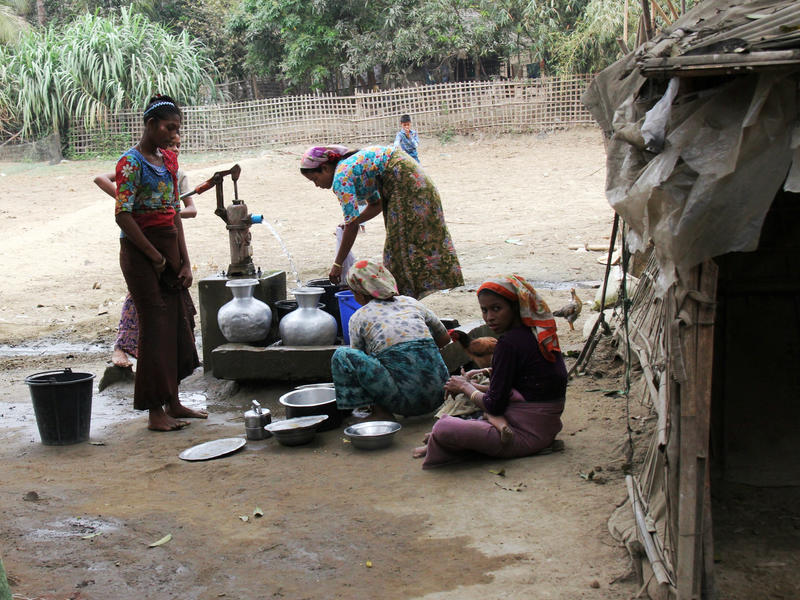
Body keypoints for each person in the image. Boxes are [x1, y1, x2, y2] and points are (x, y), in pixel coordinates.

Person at [114, 95, 204, 431]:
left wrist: (185, 262)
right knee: (153, 328)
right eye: (169, 127)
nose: (173, 134)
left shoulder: (168, 161)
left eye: (177, 128)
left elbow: (174, 215)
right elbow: (123, 214)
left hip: (169, 249)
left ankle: (175, 403)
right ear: (151, 125)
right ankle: (155, 413)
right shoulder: (131, 163)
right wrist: (153, 257)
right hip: (140, 255)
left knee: (178, 323)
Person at [414, 274, 567, 468]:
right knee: (468, 406)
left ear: (516, 307)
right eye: (484, 310)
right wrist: (476, 381)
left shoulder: (508, 344)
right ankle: (459, 436)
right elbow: (520, 382)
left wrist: (464, 387)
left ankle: (447, 441)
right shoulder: (537, 335)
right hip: (545, 427)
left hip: (525, 435)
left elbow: (494, 405)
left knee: (443, 427)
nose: (489, 317)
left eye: (496, 308)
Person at [300, 145, 463, 299]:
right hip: (415, 181)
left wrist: (338, 264)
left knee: (399, 246)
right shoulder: (350, 169)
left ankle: (405, 297)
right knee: (409, 243)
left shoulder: (340, 178)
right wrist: (353, 222)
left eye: (315, 178)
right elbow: (375, 205)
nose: (317, 185)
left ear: (326, 168)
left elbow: (352, 226)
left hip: (406, 184)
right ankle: (418, 293)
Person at [95, 134, 196, 368]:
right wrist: (132, 201)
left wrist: (163, 211)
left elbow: (186, 211)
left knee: (172, 306)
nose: (175, 149)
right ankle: (124, 347)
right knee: (142, 304)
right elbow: (104, 182)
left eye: (179, 145)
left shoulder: (176, 173)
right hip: (142, 241)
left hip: (167, 239)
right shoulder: (134, 163)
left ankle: (170, 375)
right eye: (170, 144)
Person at [331, 258, 451, 419]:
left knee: (343, 355)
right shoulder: (412, 303)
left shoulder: (359, 317)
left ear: (358, 293)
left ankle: (378, 412)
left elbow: (357, 360)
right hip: (441, 394)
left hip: (402, 402)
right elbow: (444, 339)